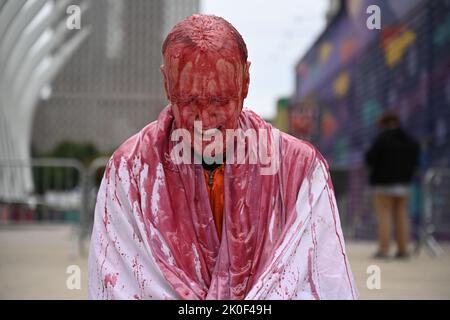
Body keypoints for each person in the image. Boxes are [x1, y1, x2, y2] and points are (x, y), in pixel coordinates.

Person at [88, 14, 357, 300]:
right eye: (189, 100)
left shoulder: (300, 168)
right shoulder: (129, 170)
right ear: (167, 85)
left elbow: (324, 280)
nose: (204, 118)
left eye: (219, 100)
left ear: (245, 82)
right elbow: (117, 283)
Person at [365, 111, 420, 259]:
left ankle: (384, 249)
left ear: (384, 123)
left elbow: (369, 158)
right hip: (404, 184)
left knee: (385, 216)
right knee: (402, 216)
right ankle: (403, 250)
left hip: (382, 185)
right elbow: (416, 158)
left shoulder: (381, 139)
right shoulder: (410, 139)